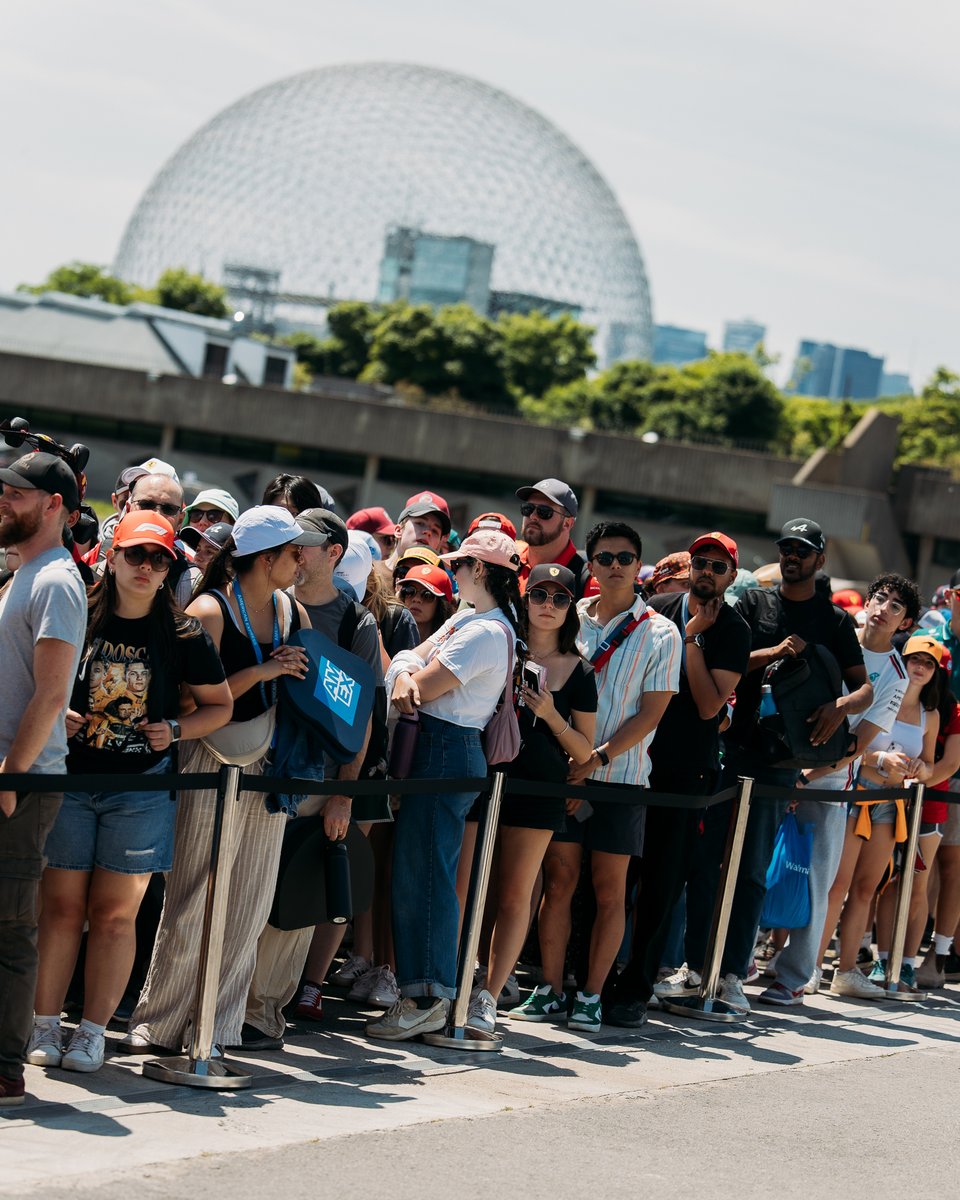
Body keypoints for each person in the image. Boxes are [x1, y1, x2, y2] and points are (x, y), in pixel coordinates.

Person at [28, 513, 232, 1073]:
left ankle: (93, 1031)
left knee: (117, 916)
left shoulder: (183, 632)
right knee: (61, 909)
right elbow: (36, 679)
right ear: (112, 556)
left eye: (159, 559)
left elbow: (220, 705)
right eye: (136, 555)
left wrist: (179, 730)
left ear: (171, 568)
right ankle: (45, 1023)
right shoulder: (79, 612)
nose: (146, 567)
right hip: (70, 780)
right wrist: (56, 718)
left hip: (141, 789)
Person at [123, 506, 321, 1054]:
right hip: (207, 760)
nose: (302, 559)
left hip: (269, 765)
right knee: (191, 896)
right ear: (264, 558)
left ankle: (219, 1029)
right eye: (293, 550)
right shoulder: (209, 610)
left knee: (251, 902)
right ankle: (158, 1025)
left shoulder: (291, 611)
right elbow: (185, 702)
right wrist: (261, 670)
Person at [673, 518, 872, 1013]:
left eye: (803, 550)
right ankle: (694, 966)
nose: (793, 556)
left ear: (820, 560)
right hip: (735, 746)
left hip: (782, 761)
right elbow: (728, 662)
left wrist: (838, 708)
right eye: (787, 547)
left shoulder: (835, 620)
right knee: (705, 861)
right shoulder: (752, 603)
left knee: (753, 869)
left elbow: (864, 687)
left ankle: (734, 973)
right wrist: (773, 652)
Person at [366, 529, 523, 1041]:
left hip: (448, 748)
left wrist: (408, 675)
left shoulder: (485, 629)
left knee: (425, 875)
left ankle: (429, 995)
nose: (453, 573)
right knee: (418, 870)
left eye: (459, 565)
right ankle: (426, 992)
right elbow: (412, 662)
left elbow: (421, 686)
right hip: (439, 748)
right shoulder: (469, 619)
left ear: (481, 571)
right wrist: (408, 674)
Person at [241, 509, 382, 1045]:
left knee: (289, 909)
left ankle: (261, 1014)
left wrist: (342, 795)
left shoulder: (356, 624)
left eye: (306, 544)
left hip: (314, 781)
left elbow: (360, 718)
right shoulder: (271, 603)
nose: (295, 553)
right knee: (246, 897)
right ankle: (225, 1004)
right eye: (289, 544)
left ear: (334, 553)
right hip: (254, 767)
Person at [538, 521, 680, 1033]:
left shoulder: (662, 631)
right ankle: (551, 990)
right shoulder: (567, 616)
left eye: (625, 557)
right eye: (605, 557)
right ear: (591, 565)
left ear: (638, 565)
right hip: (563, 773)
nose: (615, 565)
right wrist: (571, 761)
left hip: (620, 777)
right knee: (558, 882)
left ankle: (593, 996)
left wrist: (595, 757)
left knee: (610, 892)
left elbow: (652, 713)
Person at [607, 533, 750, 1027]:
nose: (707, 572)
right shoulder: (657, 605)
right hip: (631, 760)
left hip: (684, 770)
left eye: (718, 566)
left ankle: (635, 988)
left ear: (731, 576)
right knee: (612, 877)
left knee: (660, 885)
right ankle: (593, 982)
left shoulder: (733, 629)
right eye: (700, 562)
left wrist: (691, 639)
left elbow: (711, 705)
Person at [757, 575, 918, 1006]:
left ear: (907, 624)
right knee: (754, 863)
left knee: (818, 879)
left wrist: (807, 776)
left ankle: (794, 976)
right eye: (880, 597)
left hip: (828, 781)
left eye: (896, 606)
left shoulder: (896, 674)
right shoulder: (835, 627)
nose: (884, 607)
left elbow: (858, 743)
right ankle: (741, 959)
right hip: (775, 759)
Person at [464, 563, 596, 1033]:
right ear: (525, 598)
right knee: (466, 888)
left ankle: (489, 997)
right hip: (482, 776)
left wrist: (549, 714)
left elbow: (588, 753)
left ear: (571, 609)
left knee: (516, 895)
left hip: (539, 789)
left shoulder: (579, 670)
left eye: (560, 599)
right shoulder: (498, 641)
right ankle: (452, 983)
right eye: (540, 594)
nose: (548, 606)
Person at [0, 451, 86, 1106]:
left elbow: (52, 694)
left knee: (9, 929)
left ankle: (5, 1068)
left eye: (17, 492)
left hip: (20, 782)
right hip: (14, 773)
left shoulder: (55, 579)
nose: (4, 498)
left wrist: (12, 775)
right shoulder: (24, 574)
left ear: (54, 504)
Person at [866, 636, 943, 994]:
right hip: (864, 795)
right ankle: (881, 958)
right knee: (876, 884)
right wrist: (881, 761)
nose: (920, 667)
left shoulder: (932, 714)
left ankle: (907, 963)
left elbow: (930, 762)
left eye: (929, 663)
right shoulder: (883, 694)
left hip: (906, 806)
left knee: (912, 885)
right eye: (915, 659)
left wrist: (922, 771)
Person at [515, 478, 590, 599]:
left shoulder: (586, 580)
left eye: (544, 511)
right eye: (528, 508)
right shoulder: (508, 562)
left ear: (567, 523)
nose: (533, 516)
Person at [397, 563, 454, 641]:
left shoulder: (450, 645)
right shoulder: (386, 636)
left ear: (442, 605)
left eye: (427, 595)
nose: (416, 599)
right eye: (410, 591)